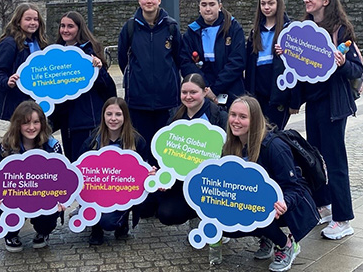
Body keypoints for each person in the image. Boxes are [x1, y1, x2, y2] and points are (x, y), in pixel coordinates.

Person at [223, 96, 319, 272]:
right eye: (233, 115)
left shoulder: (274, 147)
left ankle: (286, 245)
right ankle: (266, 236)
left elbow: (295, 186)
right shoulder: (230, 146)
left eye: (243, 117)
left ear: (255, 120)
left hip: (285, 203)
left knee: (257, 208)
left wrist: (285, 203)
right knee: (226, 225)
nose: (236, 121)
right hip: (255, 198)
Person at [297, 0, 362, 239]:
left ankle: (343, 219)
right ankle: (324, 207)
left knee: (335, 162)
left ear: (326, 1)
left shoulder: (341, 30)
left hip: (333, 104)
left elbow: (357, 69)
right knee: (315, 159)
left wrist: (343, 63)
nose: (306, 0)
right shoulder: (305, 30)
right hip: (313, 103)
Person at [0, 101, 64, 252]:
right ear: (17, 124)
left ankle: (43, 231)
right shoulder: (4, 147)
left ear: (42, 123)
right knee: (3, 210)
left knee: (49, 213)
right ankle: (10, 233)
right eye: (26, 123)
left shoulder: (52, 146)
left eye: (35, 122)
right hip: (14, 196)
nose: (31, 127)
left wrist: (62, 199)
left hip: (41, 195)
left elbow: (60, 178)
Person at [118, 0, 181, 163]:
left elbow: (177, 58)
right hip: (139, 102)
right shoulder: (129, 28)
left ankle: (164, 189)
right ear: (139, 0)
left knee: (165, 151)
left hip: (167, 101)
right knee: (141, 150)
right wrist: (138, 79)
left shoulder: (171, 27)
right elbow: (123, 60)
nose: (149, 1)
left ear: (159, 0)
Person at [157, 73, 227, 226]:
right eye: (184, 92)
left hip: (213, 182)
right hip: (183, 181)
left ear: (205, 91)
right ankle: (195, 214)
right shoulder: (175, 116)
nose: (188, 96)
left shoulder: (218, 116)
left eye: (193, 92)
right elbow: (166, 151)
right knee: (166, 214)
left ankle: (213, 219)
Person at [49, 11, 116, 162]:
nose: (65, 30)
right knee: (73, 162)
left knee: (90, 165)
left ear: (79, 29)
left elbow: (109, 89)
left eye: (70, 26)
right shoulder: (54, 53)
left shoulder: (91, 51)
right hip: (67, 122)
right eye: (62, 26)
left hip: (89, 121)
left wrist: (98, 69)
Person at [79, 97, 148, 245]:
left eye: (118, 114)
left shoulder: (137, 141)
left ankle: (122, 221)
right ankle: (95, 228)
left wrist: (150, 173)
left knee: (108, 222)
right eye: (109, 114)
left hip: (123, 194)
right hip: (96, 194)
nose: (113, 119)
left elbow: (144, 171)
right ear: (103, 116)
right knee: (96, 210)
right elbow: (79, 172)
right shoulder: (92, 142)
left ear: (125, 117)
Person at [180, 0, 245, 109]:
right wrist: (204, 88)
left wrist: (215, 89)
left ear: (219, 6)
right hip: (201, 95)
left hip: (231, 93)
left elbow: (237, 61)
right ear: (199, 7)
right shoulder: (191, 32)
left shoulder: (234, 28)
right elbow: (186, 63)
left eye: (212, 4)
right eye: (204, 5)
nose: (208, 9)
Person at [245, 0, 295, 129]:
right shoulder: (255, 32)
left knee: (274, 135)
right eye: (263, 3)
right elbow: (249, 68)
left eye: (271, 3)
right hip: (258, 94)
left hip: (279, 94)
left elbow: (296, 68)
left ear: (278, 4)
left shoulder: (289, 30)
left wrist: (294, 101)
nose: (266, 7)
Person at [0, 3, 48, 121]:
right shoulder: (9, 43)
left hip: (37, 101)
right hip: (17, 102)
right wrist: (7, 81)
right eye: (28, 19)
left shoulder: (41, 43)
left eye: (36, 19)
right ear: (18, 21)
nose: (33, 22)